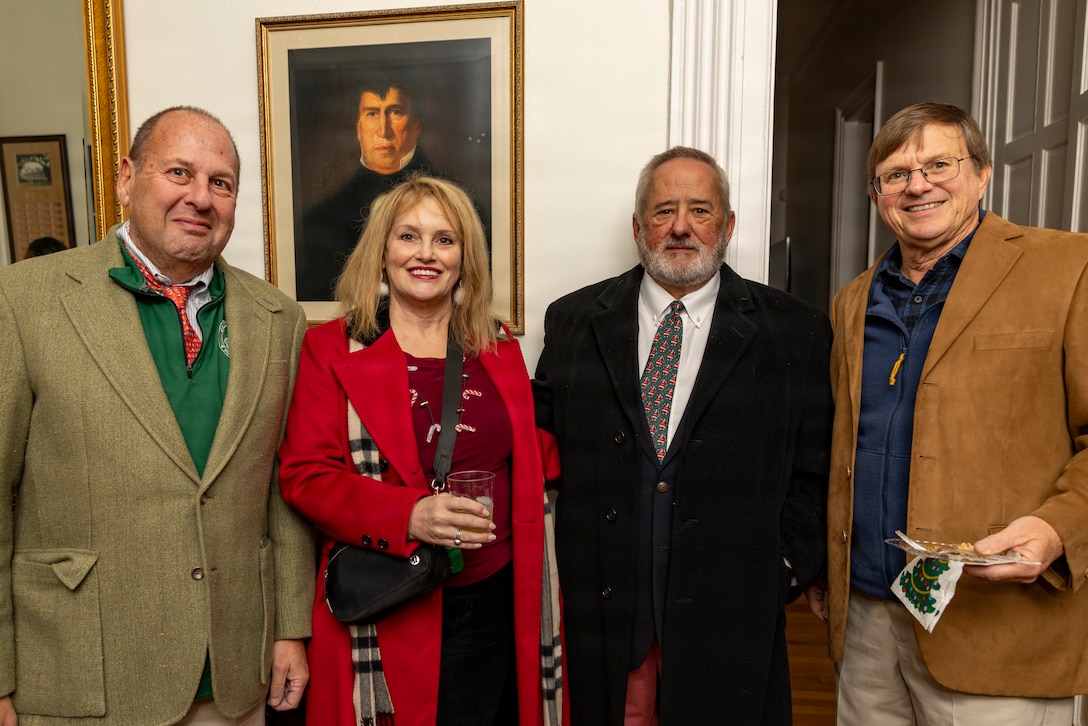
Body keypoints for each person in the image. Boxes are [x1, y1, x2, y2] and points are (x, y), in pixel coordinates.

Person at [0, 106, 314, 725]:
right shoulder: (24, 301)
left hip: (234, 674)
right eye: (179, 172)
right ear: (126, 178)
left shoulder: (278, 320)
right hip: (80, 677)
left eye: (220, 183)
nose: (200, 198)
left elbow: (283, 490)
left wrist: (291, 626)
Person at [533, 146, 833, 724]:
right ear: (638, 226)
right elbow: (541, 450)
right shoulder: (573, 321)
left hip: (732, 614)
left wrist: (782, 571)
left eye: (700, 210)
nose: (680, 227)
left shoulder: (794, 332)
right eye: (663, 210)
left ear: (728, 225)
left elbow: (815, 471)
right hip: (606, 610)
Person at [814, 101, 1088, 725]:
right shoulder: (852, 301)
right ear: (878, 193)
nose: (918, 185)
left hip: (998, 629)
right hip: (867, 621)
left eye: (940, 164)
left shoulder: (1068, 269)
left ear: (983, 172)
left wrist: (1056, 532)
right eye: (895, 175)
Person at [278, 174, 562, 726]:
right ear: (381, 252)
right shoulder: (329, 347)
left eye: (445, 239)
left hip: (496, 598)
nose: (426, 254)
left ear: (464, 258)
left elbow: (531, 451)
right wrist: (408, 514)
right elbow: (305, 476)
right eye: (408, 237)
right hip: (390, 597)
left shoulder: (497, 346)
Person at [294, 74, 437, 302]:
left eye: (395, 112)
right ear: (358, 129)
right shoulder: (317, 222)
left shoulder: (458, 209)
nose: (383, 129)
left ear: (416, 125)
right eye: (372, 113)